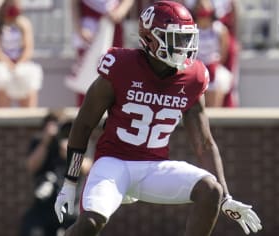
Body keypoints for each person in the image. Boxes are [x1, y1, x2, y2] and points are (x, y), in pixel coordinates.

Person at [54, 2, 262, 236]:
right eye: (176, 39)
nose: (184, 47)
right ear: (151, 39)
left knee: (211, 190)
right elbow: (83, 124)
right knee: (90, 224)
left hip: (154, 166)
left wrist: (226, 195)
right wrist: (70, 180)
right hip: (113, 163)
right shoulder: (121, 65)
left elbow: (204, 143)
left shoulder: (193, 77)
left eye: (187, 39)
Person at [20, 113, 92, 236]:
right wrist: (45, 142)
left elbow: (89, 168)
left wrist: (71, 154)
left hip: (72, 208)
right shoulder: (39, 142)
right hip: (44, 209)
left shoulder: (79, 141)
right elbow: (31, 166)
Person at [69, 0, 134, 106]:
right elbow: (74, 4)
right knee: (87, 74)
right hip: (89, 29)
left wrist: (121, 11)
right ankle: (85, 113)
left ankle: (113, 111)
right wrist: (79, 28)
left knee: (116, 72)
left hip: (113, 27)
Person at [0, 0, 43, 107]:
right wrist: (8, 64)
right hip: (3, 64)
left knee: (28, 79)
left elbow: (28, 48)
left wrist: (18, 64)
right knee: (0, 76)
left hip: (21, 64)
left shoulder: (24, 23)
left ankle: (28, 120)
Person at [193, 0, 232, 107]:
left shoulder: (220, 29)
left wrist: (214, 64)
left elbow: (223, 53)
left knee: (214, 100)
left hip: (212, 66)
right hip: (196, 67)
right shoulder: (191, 28)